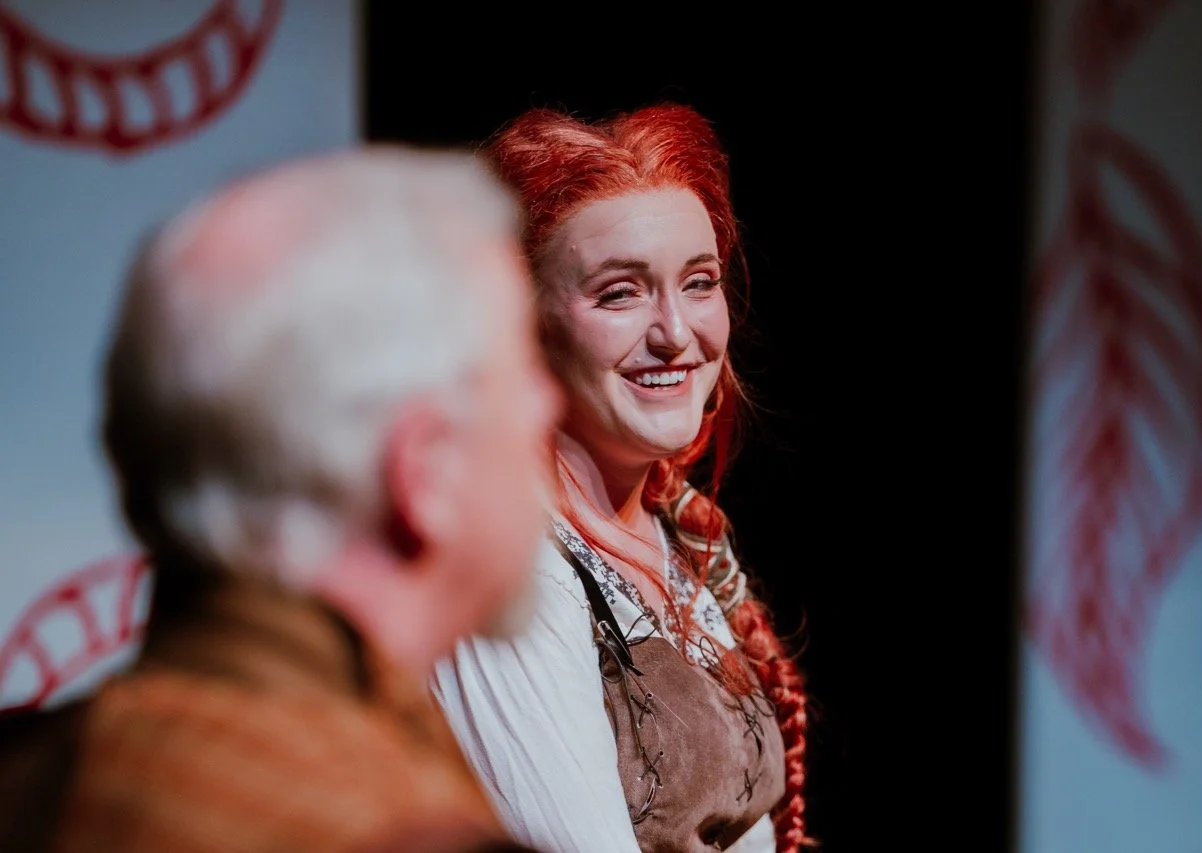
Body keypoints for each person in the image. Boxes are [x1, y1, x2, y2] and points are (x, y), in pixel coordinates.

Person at [0, 147, 562, 853]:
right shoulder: (400, 831)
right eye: (526, 366)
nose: (550, 405)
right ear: (426, 471)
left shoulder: (29, 778)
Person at [431, 104, 811, 852]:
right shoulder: (513, 570)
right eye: (619, 292)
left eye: (698, 283)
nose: (675, 332)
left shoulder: (677, 540)